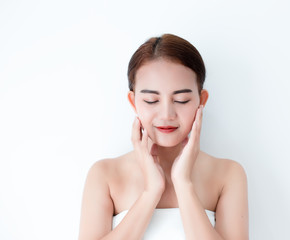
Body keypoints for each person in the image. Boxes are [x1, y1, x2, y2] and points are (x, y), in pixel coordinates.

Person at [78, 33, 249, 240]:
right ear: (134, 102)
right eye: (151, 100)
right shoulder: (104, 175)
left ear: (201, 100)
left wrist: (183, 183)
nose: (167, 114)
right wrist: (151, 191)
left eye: (182, 100)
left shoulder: (228, 175)